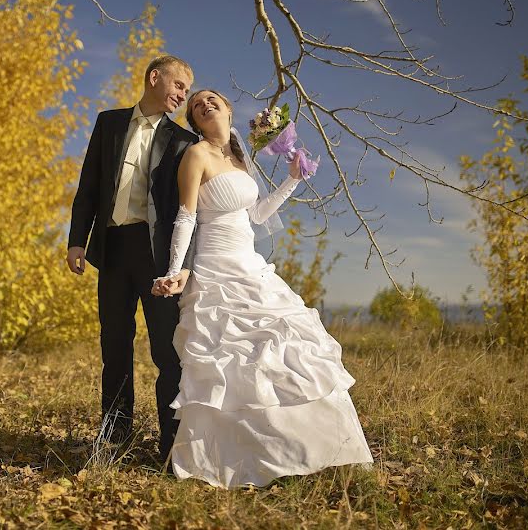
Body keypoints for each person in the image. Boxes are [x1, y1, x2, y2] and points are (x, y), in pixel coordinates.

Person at [152, 89, 373, 488]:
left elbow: (255, 214)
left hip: (251, 265)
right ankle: (232, 460)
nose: (203, 103)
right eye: (195, 104)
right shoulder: (195, 155)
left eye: (210, 98)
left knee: (286, 349)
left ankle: (305, 450)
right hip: (216, 268)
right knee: (231, 363)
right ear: (194, 120)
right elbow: (186, 218)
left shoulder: (239, 156)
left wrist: (292, 179)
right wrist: (175, 271)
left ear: (228, 109)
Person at [66, 55, 199, 462]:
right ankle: (114, 435)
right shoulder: (108, 123)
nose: (181, 96)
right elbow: (89, 184)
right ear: (154, 78)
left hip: (158, 257)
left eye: (186, 92)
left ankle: (171, 442)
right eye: (178, 86)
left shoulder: (183, 142)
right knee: (115, 344)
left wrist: (184, 264)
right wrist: (77, 240)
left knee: (166, 350)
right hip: (112, 249)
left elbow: (188, 212)